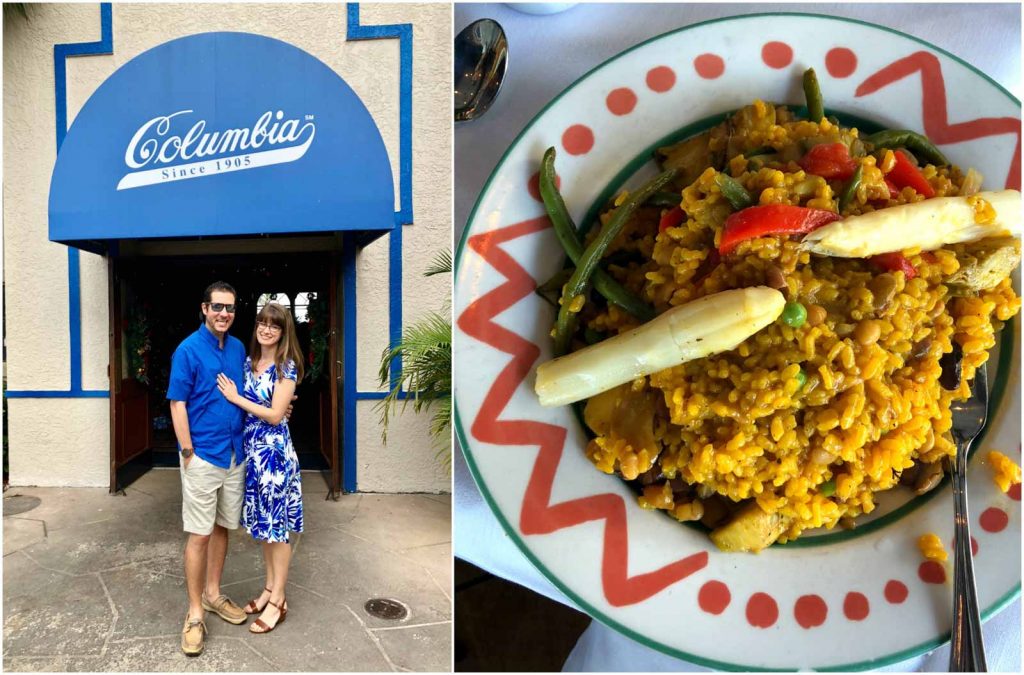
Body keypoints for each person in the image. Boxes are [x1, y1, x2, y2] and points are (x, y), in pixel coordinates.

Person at [167, 281, 249, 656]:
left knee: (221, 528)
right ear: (204, 308)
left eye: (230, 308)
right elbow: (177, 403)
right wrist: (188, 452)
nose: (224, 314)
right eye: (217, 307)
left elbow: (244, 394)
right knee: (199, 534)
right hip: (202, 456)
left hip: (234, 455)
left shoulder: (237, 348)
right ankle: (195, 612)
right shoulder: (187, 350)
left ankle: (214, 594)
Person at [215, 301, 305, 634]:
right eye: (262, 323)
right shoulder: (249, 362)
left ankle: (279, 599)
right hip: (253, 455)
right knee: (264, 528)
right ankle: (268, 588)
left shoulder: (287, 367)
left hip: (275, 457)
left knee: (277, 530)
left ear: (283, 332)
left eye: (274, 325)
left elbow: (274, 414)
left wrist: (237, 398)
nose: (266, 329)